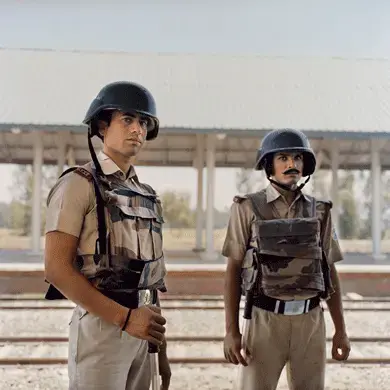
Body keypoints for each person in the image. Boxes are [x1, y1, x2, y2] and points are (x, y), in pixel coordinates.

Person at [43, 81, 171, 390]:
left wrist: (160, 348)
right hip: (103, 326)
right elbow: (56, 268)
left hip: (142, 330)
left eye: (143, 122)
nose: (137, 129)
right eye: (127, 119)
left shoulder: (146, 195)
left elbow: (149, 278)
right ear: (103, 126)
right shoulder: (78, 184)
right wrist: (125, 319)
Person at [222, 128, 351, 390]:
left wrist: (341, 329)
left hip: (311, 320)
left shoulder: (320, 210)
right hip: (264, 319)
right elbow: (233, 269)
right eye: (282, 158)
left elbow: (330, 270)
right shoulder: (246, 207)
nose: (291, 164)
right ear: (269, 164)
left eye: (297, 158)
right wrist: (231, 331)